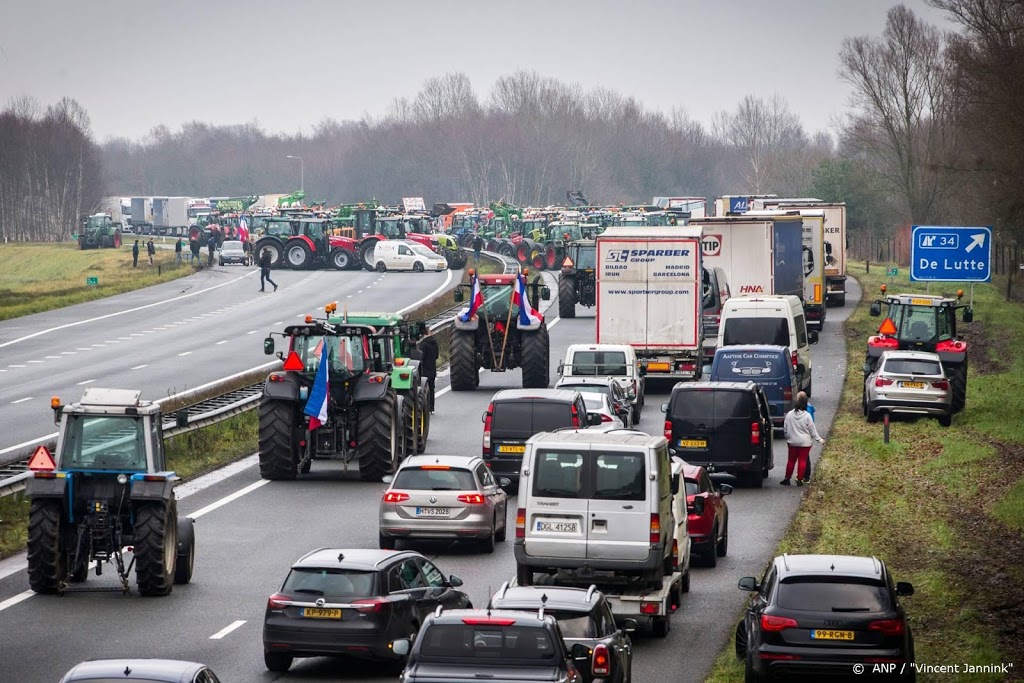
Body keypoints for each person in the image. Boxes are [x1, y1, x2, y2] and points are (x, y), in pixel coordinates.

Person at [781, 391, 824, 486]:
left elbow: (785, 428)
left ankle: (787, 478)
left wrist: (788, 436)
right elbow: (812, 430)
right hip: (805, 443)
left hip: (792, 442)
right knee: (802, 460)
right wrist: (819, 439)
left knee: (791, 460)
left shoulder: (789, 414)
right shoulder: (807, 416)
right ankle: (800, 479)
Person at [417, 329, 439, 413]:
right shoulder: (435, 343)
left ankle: (425, 408)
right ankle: (431, 408)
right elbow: (436, 356)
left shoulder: (423, 344)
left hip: (424, 370)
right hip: (432, 369)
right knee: (432, 388)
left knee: (424, 389)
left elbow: (421, 357)